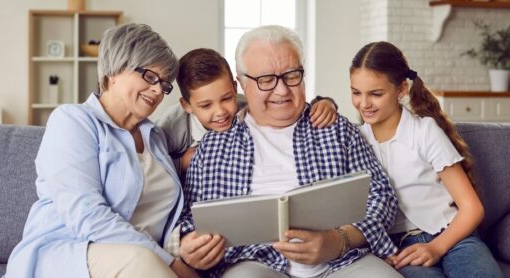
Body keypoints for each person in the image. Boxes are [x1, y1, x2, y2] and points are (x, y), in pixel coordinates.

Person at [177, 25, 401, 278]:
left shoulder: (335, 127)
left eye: (291, 75)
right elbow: (189, 216)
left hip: (343, 261)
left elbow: (381, 195)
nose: (282, 90)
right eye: (266, 80)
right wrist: (189, 244)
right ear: (241, 83)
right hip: (256, 264)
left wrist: (340, 240)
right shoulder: (214, 145)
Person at [5, 23, 197, 278]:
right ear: (115, 70)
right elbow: (86, 214)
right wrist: (169, 263)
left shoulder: (156, 135)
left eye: (164, 85)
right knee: (140, 261)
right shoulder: (73, 120)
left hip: (146, 260)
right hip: (72, 254)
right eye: (150, 76)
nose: (157, 90)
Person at [349, 41, 503, 277]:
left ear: (401, 90)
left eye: (376, 94)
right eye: (356, 92)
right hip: (401, 250)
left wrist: (436, 247)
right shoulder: (354, 139)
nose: (364, 103)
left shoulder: (424, 131)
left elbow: (472, 208)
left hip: (454, 237)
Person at [156, 48, 338, 179]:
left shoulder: (245, 106)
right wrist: (181, 163)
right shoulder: (172, 126)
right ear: (187, 105)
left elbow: (289, 106)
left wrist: (325, 103)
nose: (220, 112)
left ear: (235, 88)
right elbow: (150, 169)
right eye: (206, 106)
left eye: (226, 99)